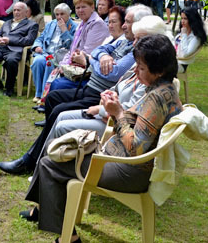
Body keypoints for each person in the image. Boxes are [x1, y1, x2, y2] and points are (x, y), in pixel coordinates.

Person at [19, 34, 182, 242]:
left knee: (51, 161)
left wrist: (118, 113)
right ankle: (46, 211)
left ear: (159, 70)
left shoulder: (156, 99)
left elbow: (135, 147)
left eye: (141, 68)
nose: (136, 72)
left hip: (127, 171)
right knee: (55, 146)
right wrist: (117, 109)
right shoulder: (165, 89)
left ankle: (68, 237)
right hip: (121, 161)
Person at [0, 4, 152, 176]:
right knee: (54, 97)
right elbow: (99, 50)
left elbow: (112, 72)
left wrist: (90, 60)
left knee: (59, 109)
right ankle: (43, 147)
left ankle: (33, 161)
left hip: (99, 97)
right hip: (93, 88)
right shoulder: (124, 42)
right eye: (76, 7)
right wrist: (101, 57)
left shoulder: (135, 52)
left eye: (126, 22)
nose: (122, 26)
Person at [0, 2, 39, 96]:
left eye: (18, 10)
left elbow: (29, 41)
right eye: (14, 10)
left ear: (26, 12)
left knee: (11, 61)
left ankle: (9, 88)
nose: (16, 12)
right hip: (1, 47)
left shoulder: (32, 25)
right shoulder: (7, 23)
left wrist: (9, 40)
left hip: (16, 49)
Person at [30, 3, 78, 102]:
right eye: (57, 14)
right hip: (45, 52)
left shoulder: (74, 26)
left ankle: (45, 95)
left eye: (62, 14)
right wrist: (37, 46)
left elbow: (71, 45)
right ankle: (38, 93)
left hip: (60, 56)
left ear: (69, 14)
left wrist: (64, 30)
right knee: (38, 61)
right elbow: (40, 38)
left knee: (49, 63)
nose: (59, 17)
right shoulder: (51, 24)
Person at [175, 7, 208, 72]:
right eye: (181, 18)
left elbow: (185, 54)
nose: (182, 21)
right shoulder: (181, 32)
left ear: (192, 20)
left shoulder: (195, 38)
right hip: (172, 61)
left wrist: (184, 35)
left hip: (181, 64)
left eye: (185, 19)